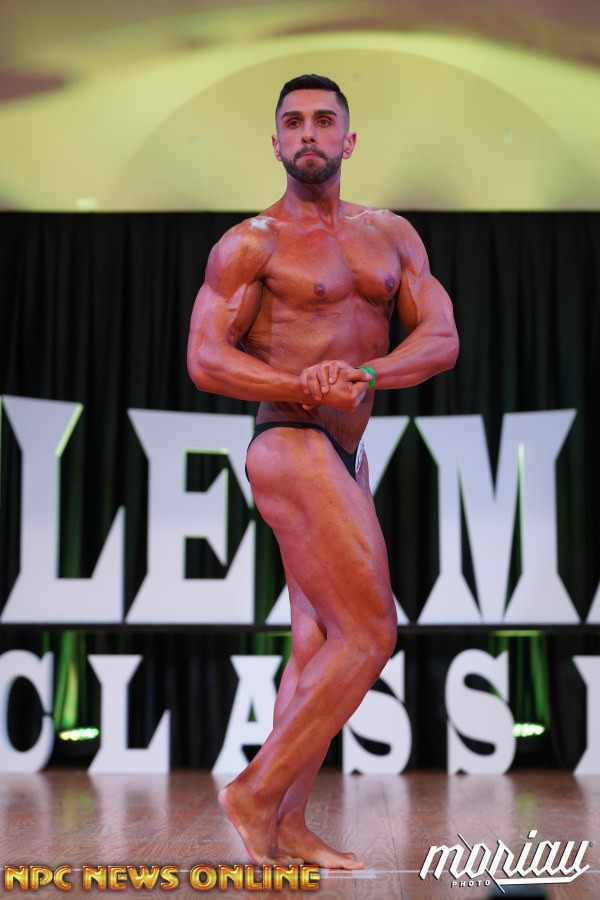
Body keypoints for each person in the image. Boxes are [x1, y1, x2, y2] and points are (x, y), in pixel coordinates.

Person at [187, 74, 458, 869]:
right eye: (294, 121)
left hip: (344, 449)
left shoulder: (392, 234)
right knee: (370, 633)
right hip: (289, 438)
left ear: (348, 138)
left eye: (324, 119)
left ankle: (289, 825)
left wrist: (367, 376)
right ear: (276, 142)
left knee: (316, 643)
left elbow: (441, 339)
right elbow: (205, 359)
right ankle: (256, 792)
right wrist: (301, 385)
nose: (309, 131)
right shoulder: (251, 243)